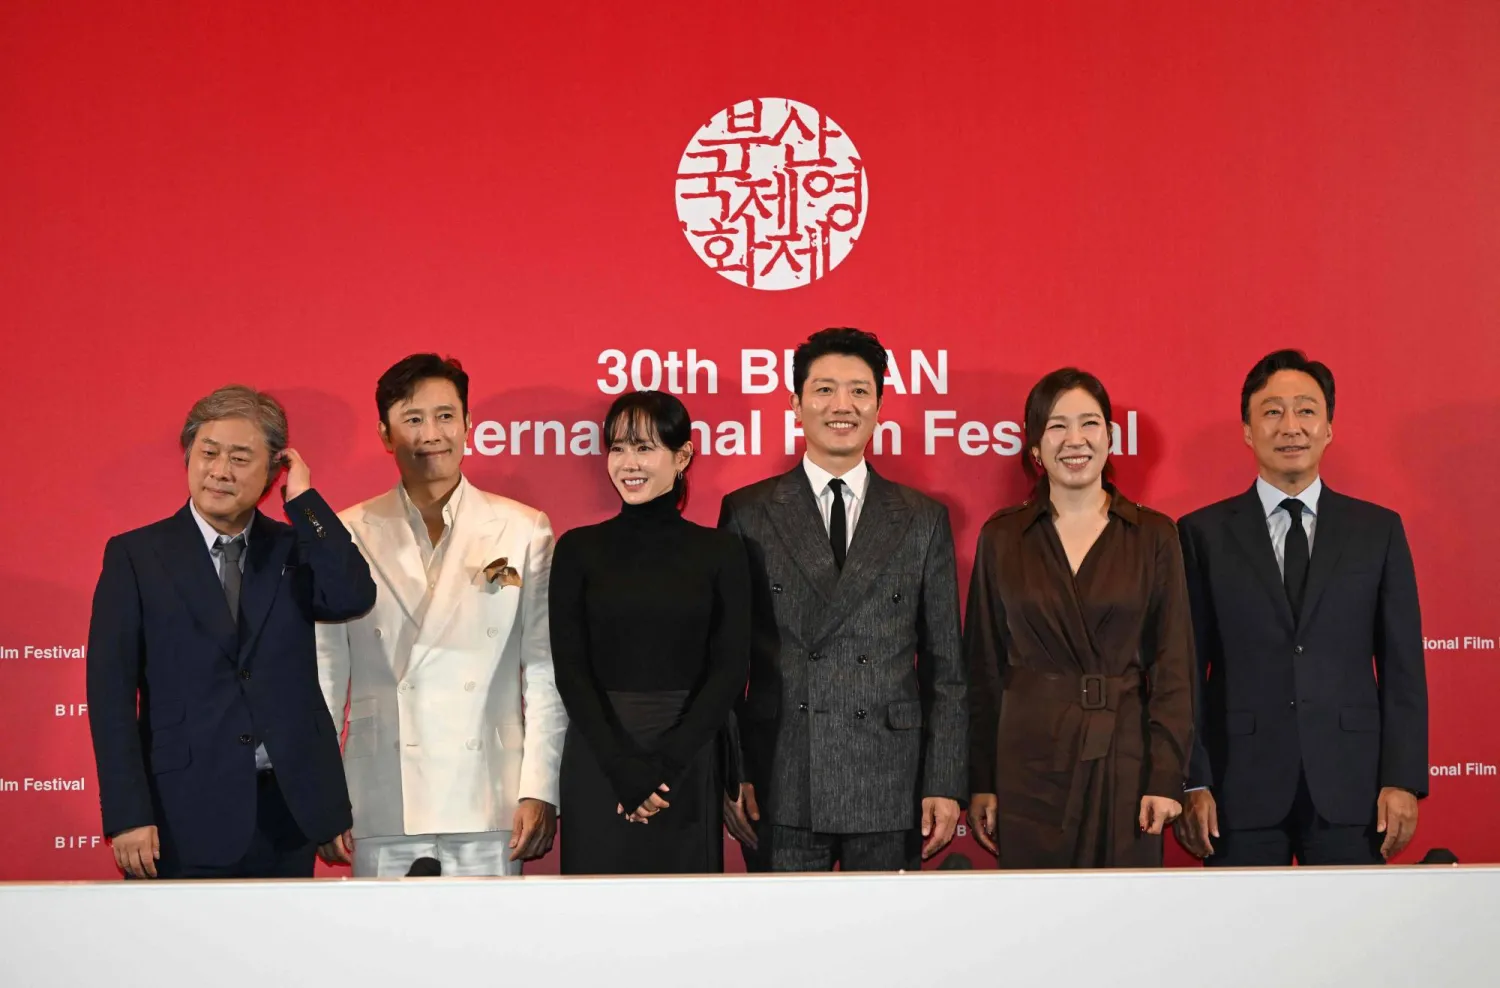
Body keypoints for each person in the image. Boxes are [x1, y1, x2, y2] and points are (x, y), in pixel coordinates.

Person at [86, 385, 374, 879]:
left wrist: (304, 502)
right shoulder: (136, 556)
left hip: (289, 811)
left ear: (272, 472)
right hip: (179, 814)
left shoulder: (292, 546)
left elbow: (350, 596)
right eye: (208, 453)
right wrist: (130, 813)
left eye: (241, 458)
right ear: (189, 457)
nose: (220, 471)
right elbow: (111, 695)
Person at [718, 327, 967, 872]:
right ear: (796, 403)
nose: (842, 406)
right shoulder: (749, 512)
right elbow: (727, 661)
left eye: (859, 391)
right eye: (825, 390)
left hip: (890, 774)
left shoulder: (922, 519)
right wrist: (733, 771)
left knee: (886, 950)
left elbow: (947, 667)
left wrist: (945, 781)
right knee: (785, 947)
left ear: (879, 405)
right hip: (781, 773)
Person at [316, 354, 567, 876]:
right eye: (412, 419)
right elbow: (325, 676)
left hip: (490, 794)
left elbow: (545, 670)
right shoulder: (347, 532)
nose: (431, 433)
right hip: (379, 791)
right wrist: (321, 792)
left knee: (489, 951)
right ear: (386, 434)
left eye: (445, 416)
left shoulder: (524, 529)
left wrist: (539, 787)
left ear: (468, 425)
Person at [1176, 349, 1427, 866]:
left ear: (1329, 428)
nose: (1290, 425)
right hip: (1236, 786)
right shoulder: (1201, 534)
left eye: (1306, 410)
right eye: (1272, 411)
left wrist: (1401, 777)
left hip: (1353, 790)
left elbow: (1403, 668)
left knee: (1354, 943)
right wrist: (1193, 779)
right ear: (1247, 430)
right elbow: (1185, 669)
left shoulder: (1377, 531)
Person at [964, 369, 1195, 868]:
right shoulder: (1002, 538)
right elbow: (981, 671)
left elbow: (1174, 667)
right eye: (1056, 426)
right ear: (1034, 448)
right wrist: (980, 780)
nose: (1075, 440)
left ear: (1110, 439)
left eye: (1089, 424)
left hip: (1126, 761)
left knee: (1127, 924)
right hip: (1028, 760)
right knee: (1035, 924)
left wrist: (1164, 776)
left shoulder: (1154, 535)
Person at [548, 391, 750, 874]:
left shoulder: (720, 552)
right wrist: (623, 770)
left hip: (686, 760)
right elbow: (570, 670)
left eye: (644, 447)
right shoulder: (577, 550)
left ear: (682, 457)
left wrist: (663, 769)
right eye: (617, 448)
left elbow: (729, 671)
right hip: (600, 758)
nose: (628, 463)